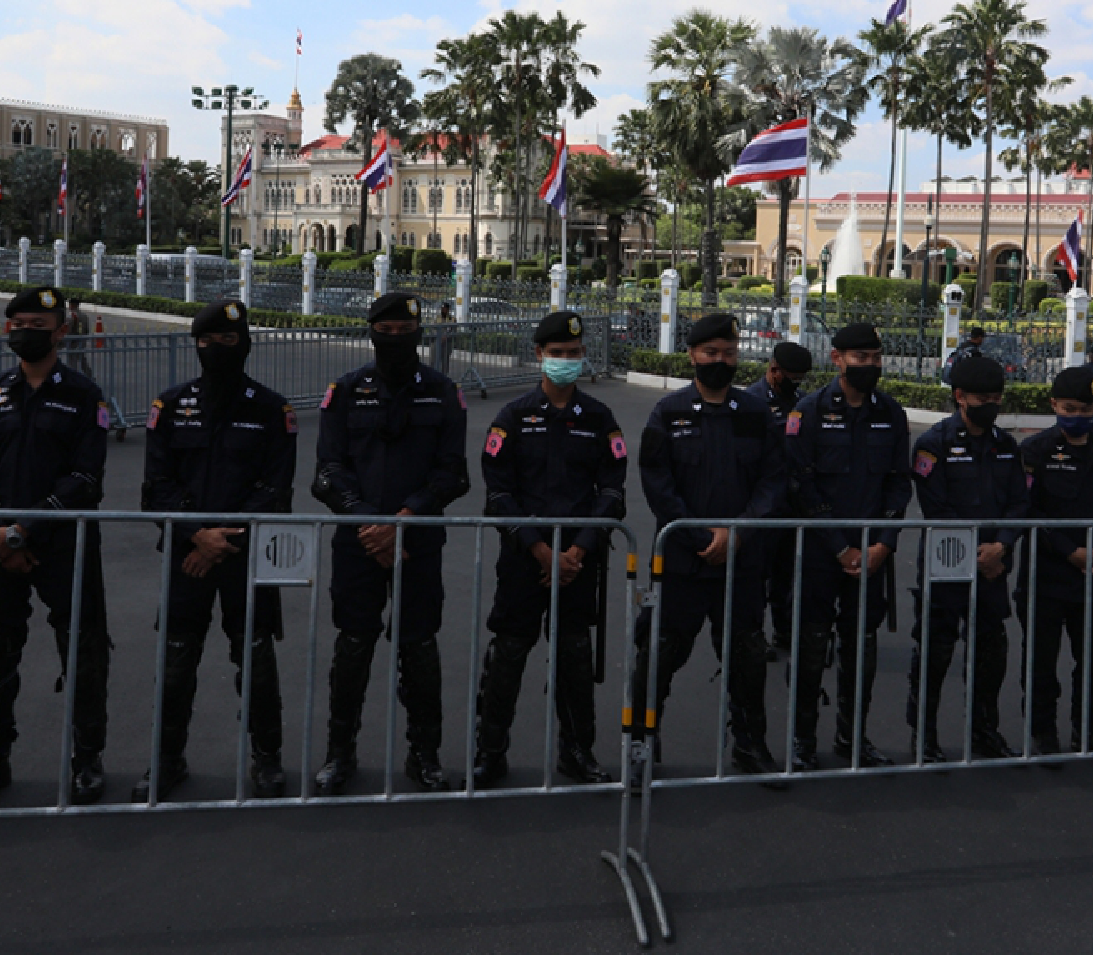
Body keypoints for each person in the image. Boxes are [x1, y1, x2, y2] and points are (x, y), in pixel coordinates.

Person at [0, 286, 112, 808]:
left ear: (62, 331)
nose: (27, 332)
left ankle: (87, 760)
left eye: (40, 324)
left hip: (64, 542)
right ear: (6, 330)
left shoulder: (85, 396)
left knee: (82, 650)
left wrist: (24, 532)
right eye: (19, 323)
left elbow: (86, 477)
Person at [309, 292, 470, 794]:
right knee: (353, 647)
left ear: (419, 334)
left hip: (417, 541)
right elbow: (328, 470)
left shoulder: (444, 392)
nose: (395, 339)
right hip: (358, 541)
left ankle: (425, 754)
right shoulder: (345, 392)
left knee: (419, 647)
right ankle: (340, 753)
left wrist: (405, 517)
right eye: (387, 331)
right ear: (372, 332)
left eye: (405, 331)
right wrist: (368, 523)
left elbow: (453, 474)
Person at [139, 300, 297, 802]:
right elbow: (156, 487)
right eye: (208, 342)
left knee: (255, 658)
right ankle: (167, 760)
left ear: (245, 343)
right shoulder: (171, 406)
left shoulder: (272, 410)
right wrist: (197, 534)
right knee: (178, 659)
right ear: (197, 345)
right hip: (188, 554)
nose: (218, 350)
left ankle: (267, 758)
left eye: (229, 341)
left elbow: (276, 489)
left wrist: (219, 540)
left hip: (246, 554)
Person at [472, 310, 628, 787]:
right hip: (525, 558)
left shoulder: (600, 420)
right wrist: (540, 550)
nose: (566, 361)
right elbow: (498, 493)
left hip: (580, 563)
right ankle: (490, 752)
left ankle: (578, 752)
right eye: (557, 354)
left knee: (576, 657)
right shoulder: (512, 418)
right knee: (509, 655)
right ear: (539, 355)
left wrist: (577, 552)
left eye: (574, 354)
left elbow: (613, 493)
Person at [633, 312, 785, 777]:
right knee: (661, 655)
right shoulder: (669, 412)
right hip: (683, 561)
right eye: (711, 353)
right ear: (692, 356)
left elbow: (773, 481)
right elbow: (657, 482)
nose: (721, 360)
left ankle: (750, 743)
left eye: (729, 353)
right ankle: (641, 746)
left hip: (741, 561)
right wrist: (700, 534)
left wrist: (738, 530)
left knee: (747, 657)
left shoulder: (757, 414)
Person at [781, 324, 911, 771]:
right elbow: (800, 484)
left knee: (862, 649)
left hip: (872, 555)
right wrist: (840, 547)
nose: (870, 365)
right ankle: (801, 739)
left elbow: (899, 485)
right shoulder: (809, 411)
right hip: (822, 552)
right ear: (837, 359)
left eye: (875, 357)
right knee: (812, 646)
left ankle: (852, 736)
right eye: (860, 358)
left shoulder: (891, 413)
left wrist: (883, 544)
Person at [909, 353, 1026, 761]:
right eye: (981, 397)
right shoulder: (933, 444)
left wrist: (1002, 546)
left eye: (996, 397)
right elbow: (936, 508)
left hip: (993, 567)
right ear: (960, 397)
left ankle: (984, 730)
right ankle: (923, 735)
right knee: (935, 655)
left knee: (991, 654)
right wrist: (979, 548)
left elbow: (1018, 505)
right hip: (946, 566)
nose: (990, 404)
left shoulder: (1007, 446)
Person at [1017, 368, 1093, 754]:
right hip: (1046, 576)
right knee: (1041, 663)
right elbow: (1028, 512)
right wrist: (1069, 551)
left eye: (1086, 408)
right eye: (1069, 408)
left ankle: (1090, 730)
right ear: (1053, 405)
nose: (1077, 415)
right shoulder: (1035, 451)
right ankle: (1043, 733)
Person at [746, 341, 812, 658]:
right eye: (792, 377)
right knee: (757, 576)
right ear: (774, 371)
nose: (796, 383)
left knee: (787, 575)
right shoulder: (750, 401)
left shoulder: (800, 402)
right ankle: (755, 635)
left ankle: (785, 633)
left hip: (792, 505)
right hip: (761, 507)